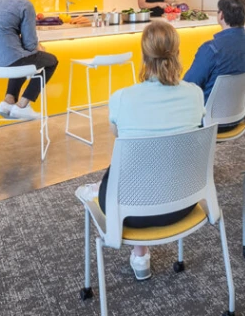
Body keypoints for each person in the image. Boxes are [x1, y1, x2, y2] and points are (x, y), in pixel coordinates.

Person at [76, 21, 205, 281]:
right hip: (185, 203)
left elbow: (119, 136)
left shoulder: (122, 98)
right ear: (178, 53)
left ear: (144, 56)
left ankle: (140, 254)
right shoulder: (195, 94)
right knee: (158, 159)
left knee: (131, 165)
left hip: (130, 213)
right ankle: (140, 255)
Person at [183, 0, 245, 130]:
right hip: (238, 117)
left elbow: (189, 86)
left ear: (221, 16)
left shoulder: (211, 49)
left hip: (205, 121)